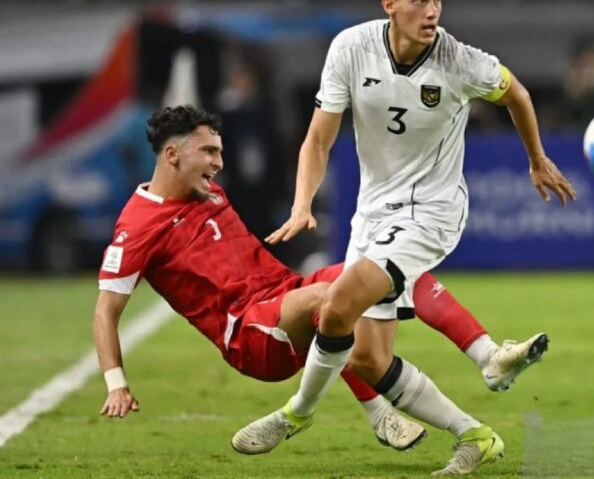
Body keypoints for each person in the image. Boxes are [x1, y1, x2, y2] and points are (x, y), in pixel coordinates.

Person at [93, 106, 550, 469]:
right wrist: (117, 384)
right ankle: (340, 412)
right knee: (333, 301)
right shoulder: (137, 227)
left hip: (286, 292)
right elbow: (105, 312)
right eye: (209, 152)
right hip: (248, 332)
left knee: (388, 269)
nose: (219, 162)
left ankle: (484, 378)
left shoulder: (209, 192)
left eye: (220, 151)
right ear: (172, 155)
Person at [258, 0, 575, 474]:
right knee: (367, 359)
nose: (433, 11)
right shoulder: (350, 48)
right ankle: (475, 433)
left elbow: (516, 93)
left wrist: (536, 159)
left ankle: (297, 412)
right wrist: (302, 204)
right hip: (372, 214)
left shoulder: (460, 60)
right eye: (420, 0)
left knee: (337, 306)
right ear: (390, 4)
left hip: (432, 211)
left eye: (438, 0)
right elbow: (318, 139)